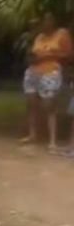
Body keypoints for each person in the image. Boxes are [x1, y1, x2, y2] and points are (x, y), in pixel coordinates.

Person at [23, 12, 73, 151]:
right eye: (43, 21)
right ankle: (33, 134)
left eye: (48, 20)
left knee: (49, 104)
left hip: (51, 71)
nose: (45, 23)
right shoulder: (39, 37)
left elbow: (69, 55)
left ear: (54, 21)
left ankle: (52, 140)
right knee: (31, 102)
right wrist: (33, 58)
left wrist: (49, 55)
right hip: (34, 71)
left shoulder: (62, 34)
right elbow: (33, 54)